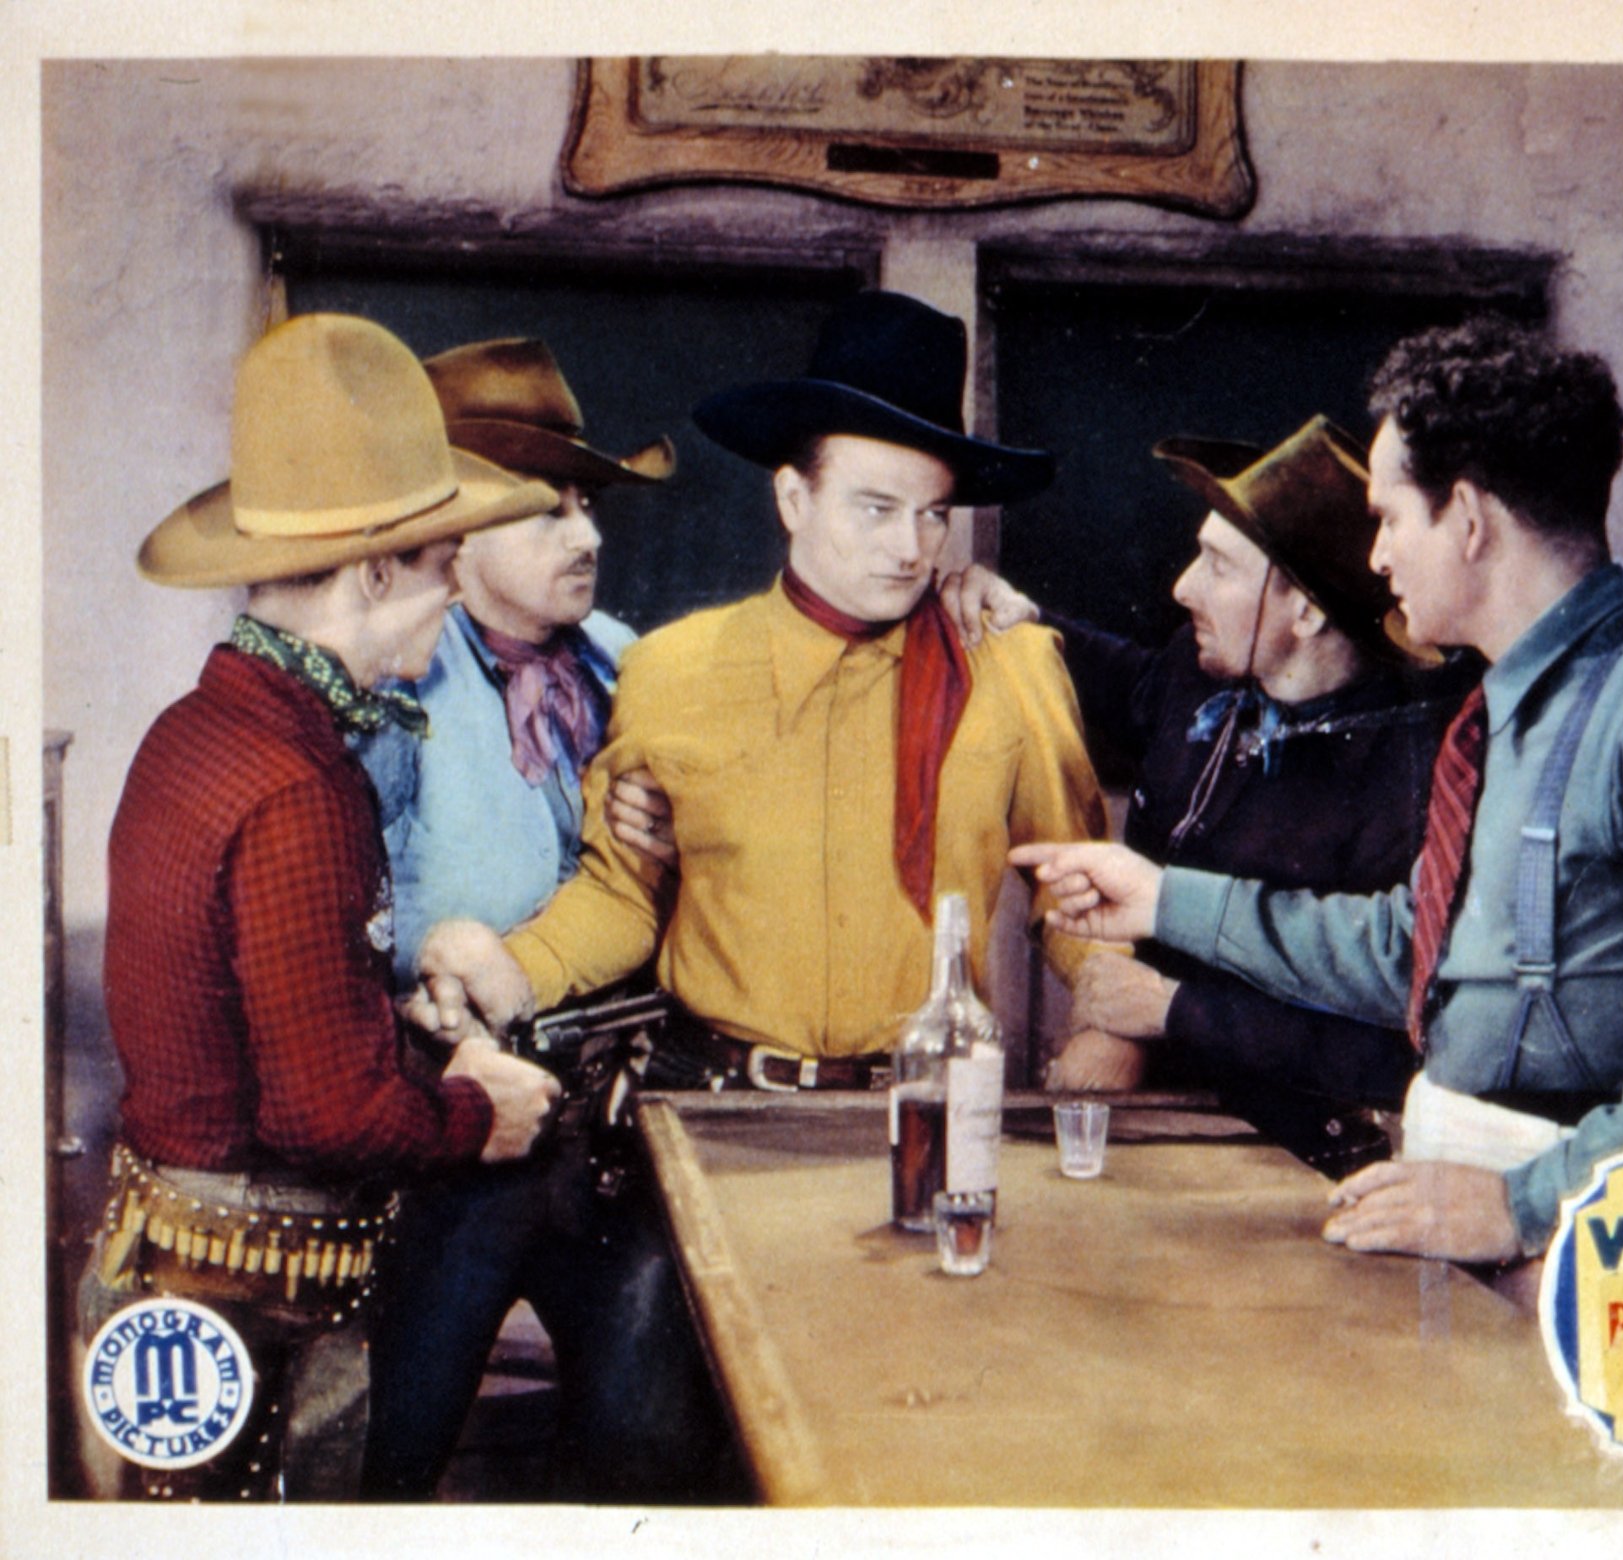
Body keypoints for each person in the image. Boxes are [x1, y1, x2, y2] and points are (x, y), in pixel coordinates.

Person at [1012, 316, 1623, 1273]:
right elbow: (1415, 953)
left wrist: (1524, 1203)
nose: (1373, 559)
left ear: (1466, 519)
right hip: (1493, 1208)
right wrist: (1165, 897)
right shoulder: (1504, 709)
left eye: (1388, 519)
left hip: (1614, 1240)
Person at [82, 313, 561, 1501]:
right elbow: (326, 1118)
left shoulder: (195, 731)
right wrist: (475, 1117)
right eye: (443, 563)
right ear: (375, 569)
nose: (454, 593)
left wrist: (387, 1014)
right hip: (260, 1312)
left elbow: (246, 1021)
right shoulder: (302, 783)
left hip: (159, 1272)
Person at [416, 290, 1113, 1094]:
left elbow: (1080, 889)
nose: (911, 547)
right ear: (793, 499)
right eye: (877, 508)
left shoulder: (1009, 663)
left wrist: (1109, 1026)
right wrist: (507, 974)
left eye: (933, 515)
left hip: (929, 1111)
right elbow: (623, 896)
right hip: (717, 1109)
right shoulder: (671, 671)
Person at [351, 340, 723, 1502]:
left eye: (589, 506)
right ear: (453, 532)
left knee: (646, 1454)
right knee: (393, 1450)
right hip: (452, 1127)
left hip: (614, 1127)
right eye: (548, 511)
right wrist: (435, 942)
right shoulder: (391, 675)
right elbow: (339, 890)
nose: (588, 537)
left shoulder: (626, 664)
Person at [942, 415, 1477, 1174]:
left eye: (1218, 568)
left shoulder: (1412, 774)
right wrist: (1019, 613)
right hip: (1153, 1115)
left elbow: (1397, 1038)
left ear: (1307, 611)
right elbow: (1128, 680)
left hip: (1306, 1156)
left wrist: (1168, 1015)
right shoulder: (1199, 673)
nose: (1181, 586)